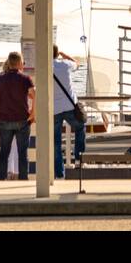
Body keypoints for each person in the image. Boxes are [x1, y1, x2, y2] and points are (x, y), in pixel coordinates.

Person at [0, 51, 35, 181]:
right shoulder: (25, 79)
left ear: (9, 63)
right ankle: (23, 180)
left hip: (5, 121)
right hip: (23, 121)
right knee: (22, 154)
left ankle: (0, 180)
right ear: (19, 63)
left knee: (4, 154)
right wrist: (32, 114)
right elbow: (35, 96)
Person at [52, 45, 87, 179]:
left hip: (54, 110)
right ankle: (78, 158)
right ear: (56, 54)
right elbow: (77, 64)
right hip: (69, 106)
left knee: (56, 142)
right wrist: (64, 54)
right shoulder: (65, 64)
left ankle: (60, 174)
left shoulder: (45, 67)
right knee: (80, 127)